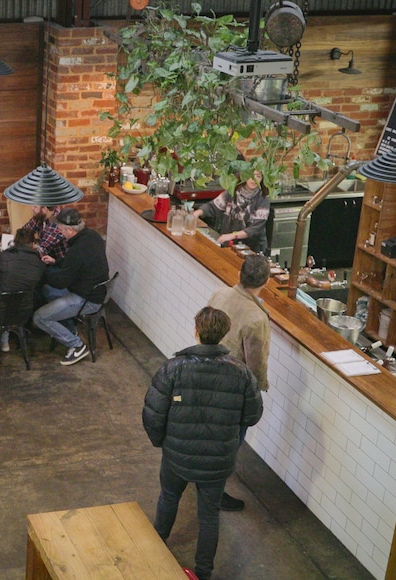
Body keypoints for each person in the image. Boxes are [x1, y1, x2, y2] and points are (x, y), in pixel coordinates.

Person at [142, 306, 263, 580]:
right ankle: (203, 573)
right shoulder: (242, 374)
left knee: (169, 498)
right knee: (209, 515)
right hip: (218, 461)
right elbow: (252, 415)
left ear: (196, 331)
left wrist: (163, 443)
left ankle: (154, 547)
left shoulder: (173, 368)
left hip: (177, 457)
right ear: (223, 335)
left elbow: (153, 413)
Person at [206, 253, 271, 511]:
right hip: (230, 389)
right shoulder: (257, 318)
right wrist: (258, 390)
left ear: (239, 274)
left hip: (206, 373)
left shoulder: (219, 294)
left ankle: (200, 477)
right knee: (228, 444)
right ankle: (214, 492)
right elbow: (256, 364)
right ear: (265, 281)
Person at [32, 208, 109, 366]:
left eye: (60, 229)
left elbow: (61, 282)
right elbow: (72, 264)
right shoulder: (92, 236)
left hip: (86, 299)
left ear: (70, 230)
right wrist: (55, 262)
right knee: (48, 290)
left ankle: (76, 345)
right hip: (96, 290)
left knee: (39, 317)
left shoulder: (77, 250)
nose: (59, 231)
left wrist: (42, 270)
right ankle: (69, 327)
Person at [0, 228, 45, 352]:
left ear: (14, 242)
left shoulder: (4, 257)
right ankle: (4, 342)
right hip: (23, 312)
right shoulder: (39, 263)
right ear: (33, 244)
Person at [192, 168, 271, 253]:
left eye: (258, 176)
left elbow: (255, 229)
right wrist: (196, 213)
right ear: (244, 176)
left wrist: (232, 236)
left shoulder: (263, 199)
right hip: (229, 245)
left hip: (252, 249)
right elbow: (212, 207)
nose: (254, 179)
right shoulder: (232, 191)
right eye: (251, 175)